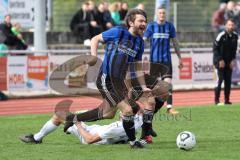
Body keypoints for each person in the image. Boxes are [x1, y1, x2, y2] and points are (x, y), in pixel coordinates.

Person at [65, 9, 150, 149]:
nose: (144, 24)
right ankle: (133, 142)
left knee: (107, 114)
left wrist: (142, 86)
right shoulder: (118, 32)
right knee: (128, 110)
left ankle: (72, 118)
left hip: (118, 82)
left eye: (145, 21)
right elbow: (95, 39)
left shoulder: (140, 43)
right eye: (140, 21)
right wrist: (93, 56)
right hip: (106, 79)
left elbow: (136, 68)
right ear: (131, 22)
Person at [19, 99, 143, 145]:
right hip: (99, 129)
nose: (120, 111)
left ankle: (36, 138)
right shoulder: (138, 121)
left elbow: (89, 140)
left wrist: (77, 123)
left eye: (122, 109)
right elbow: (141, 111)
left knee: (59, 115)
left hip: (88, 134)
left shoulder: (116, 128)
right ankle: (69, 127)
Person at [143, 7, 183, 115]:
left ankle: (169, 107)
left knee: (168, 84)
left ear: (166, 14)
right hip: (154, 62)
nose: (162, 15)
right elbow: (144, 40)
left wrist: (180, 58)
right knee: (153, 86)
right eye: (160, 13)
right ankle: (150, 106)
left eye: (163, 13)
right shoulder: (151, 26)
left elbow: (175, 43)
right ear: (157, 14)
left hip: (166, 61)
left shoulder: (170, 26)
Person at [213, 19, 238, 105]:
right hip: (219, 62)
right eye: (229, 25)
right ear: (226, 26)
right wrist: (220, 60)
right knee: (219, 81)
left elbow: (234, 50)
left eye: (232, 25)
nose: (231, 27)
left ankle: (227, 100)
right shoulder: (221, 35)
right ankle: (216, 101)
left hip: (228, 62)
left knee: (228, 81)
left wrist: (232, 60)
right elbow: (215, 49)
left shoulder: (235, 36)